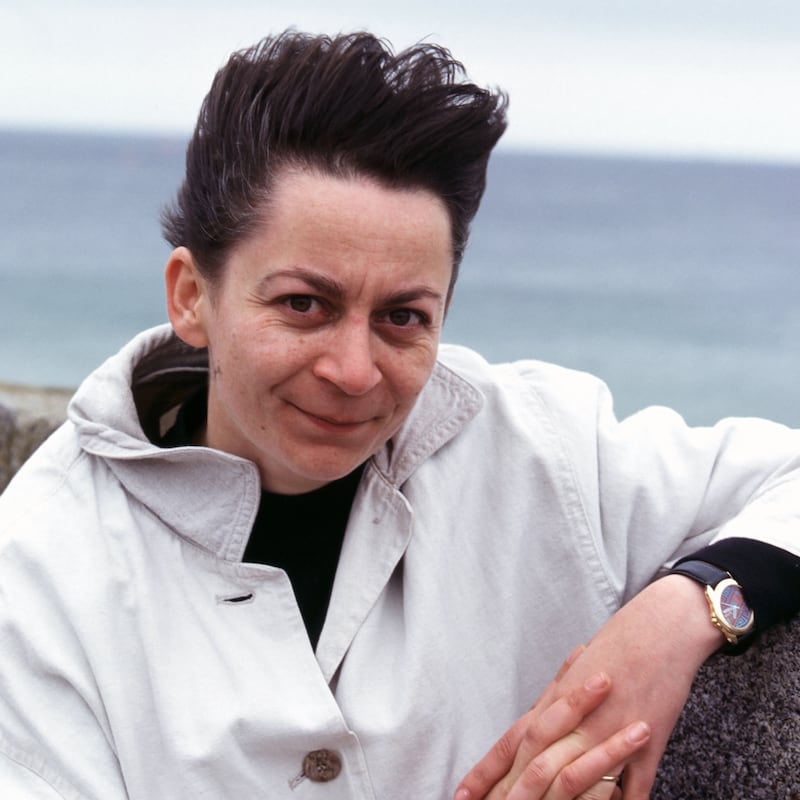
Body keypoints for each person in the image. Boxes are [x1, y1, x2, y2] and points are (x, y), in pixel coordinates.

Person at [1, 29, 799, 800]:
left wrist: (686, 609)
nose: (354, 371)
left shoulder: (543, 447)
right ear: (190, 297)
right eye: (304, 304)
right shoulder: (40, 570)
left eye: (403, 318)